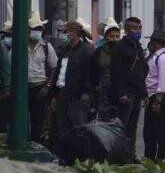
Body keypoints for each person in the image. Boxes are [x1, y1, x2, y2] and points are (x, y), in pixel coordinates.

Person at [46, 19, 95, 149]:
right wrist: (54, 96)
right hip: (62, 94)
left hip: (77, 96)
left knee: (79, 128)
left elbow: (90, 74)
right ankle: (67, 158)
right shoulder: (64, 50)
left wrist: (86, 92)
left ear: (74, 33)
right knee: (63, 129)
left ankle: (83, 158)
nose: (63, 35)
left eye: (65, 32)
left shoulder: (86, 51)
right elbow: (59, 73)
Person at [109, 16, 147, 140]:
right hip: (126, 93)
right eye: (134, 28)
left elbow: (141, 71)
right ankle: (117, 152)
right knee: (122, 124)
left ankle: (131, 154)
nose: (138, 31)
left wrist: (144, 93)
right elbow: (116, 72)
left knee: (133, 125)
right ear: (126, 30)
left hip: (137, 92)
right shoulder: (119, 47)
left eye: (139, 28)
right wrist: (121, 93)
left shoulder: (138, 47)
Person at [23, 12, 57, 144]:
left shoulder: (46, 47)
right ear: (29, 31)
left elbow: (54, 67)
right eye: (35, 29)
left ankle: (36, 143)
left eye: (40, 29)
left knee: (38, 119)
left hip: (40, 87)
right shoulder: (20, 46)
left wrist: (47, 86)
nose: (38, 32)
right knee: (22, 118)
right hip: (23, 88)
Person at [143, 31, 165, 161]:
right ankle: (150, 157)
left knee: (161, 129)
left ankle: (162, 157)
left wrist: (158, 101)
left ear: (156, 43)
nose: (149, 44)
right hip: (153, 96)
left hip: (160, 97)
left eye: (151, 42)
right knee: (150, 131)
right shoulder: (153, 56)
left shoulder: (163, 58)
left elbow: (164, 80)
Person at [90, 18, 121, 115]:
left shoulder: (123, 52)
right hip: (101, 92)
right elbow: (93, 71)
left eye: (117, 36)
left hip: (118, 92)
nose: (114, 39)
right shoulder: (98, 52)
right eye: (111, 36)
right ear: (106, 37)